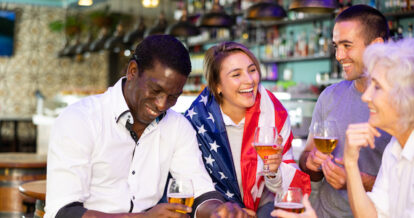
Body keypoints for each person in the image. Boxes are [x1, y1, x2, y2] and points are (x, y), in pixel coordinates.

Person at [45, 35, 248, 218]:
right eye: (155, 90)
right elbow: (63, 212)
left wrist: (216, 210)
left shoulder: (177, 126)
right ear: (133, 71)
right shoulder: (81, 119)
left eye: (173, 97)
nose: (162, 105)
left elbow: (200, 192)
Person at [185, 41, 311, 217]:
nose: (250, 80)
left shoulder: (273, 114)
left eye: (252, 70)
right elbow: (192, 184)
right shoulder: (196, 122)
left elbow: (284, 187)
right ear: (218, 86)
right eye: (236, 74)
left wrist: (274, 170)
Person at [298, 5, 392, 217]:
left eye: (347, 45)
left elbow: (407, 188)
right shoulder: (329, 96)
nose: (339, 55)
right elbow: (306, 164)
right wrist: (311, 162)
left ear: (377, 46)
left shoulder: (402, 104)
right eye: (336, 46)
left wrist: (356, 180)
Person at [344, 38, 414, 217]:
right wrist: (350, 162)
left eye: (377, 87)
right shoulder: (395, 147)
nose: (365, 97)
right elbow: (373, 215)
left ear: (406, 98)